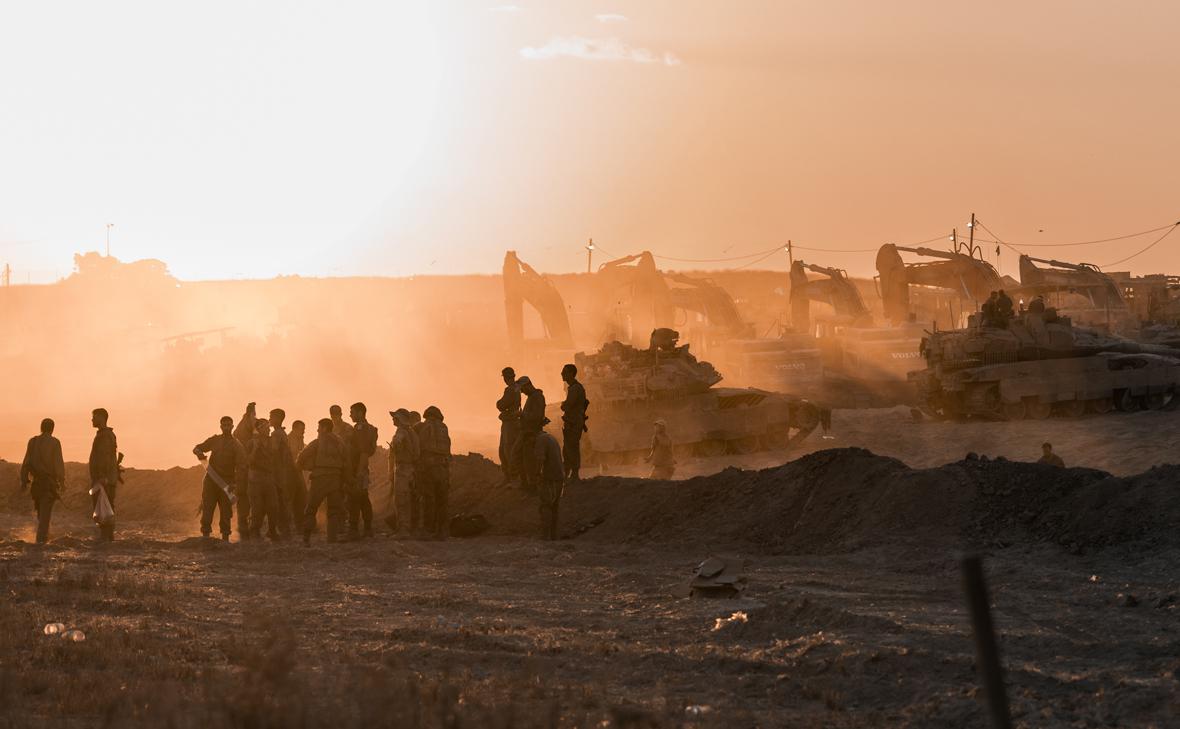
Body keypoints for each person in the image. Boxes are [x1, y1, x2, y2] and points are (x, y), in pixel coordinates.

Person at [193, 416, 247, 541]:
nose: (226, 427)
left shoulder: (237, 445)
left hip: (227, 483)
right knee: (207, 508)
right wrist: (199, 453)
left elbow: (242, 466)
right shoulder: (215, 440)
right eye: (224, 425)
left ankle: (225, 538)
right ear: (221, 426)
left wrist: (235, 483)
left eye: (228, 425)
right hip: (211, 480)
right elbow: (197, 448)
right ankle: (205, 535)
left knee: (226, 511)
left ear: (232, 426)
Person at [297, 418, 348, 544]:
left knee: (311, 509)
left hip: (319, 478)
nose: (317, 430)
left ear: (324, 428)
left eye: (319, 427)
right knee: (333, 511)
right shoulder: (340, 442)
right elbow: (347, 462)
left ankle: (306, 538)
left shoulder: (318, 442)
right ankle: (332, 539)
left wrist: (305, 467)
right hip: (335, 479)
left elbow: (302, 456)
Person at [20, 418, 65, 544]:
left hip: (37, 484)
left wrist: (24, 480)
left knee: (41, 514)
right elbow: (58, 464)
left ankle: (43, 537)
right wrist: (62, 482)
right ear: (52, 429)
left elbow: (26, 463)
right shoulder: (55, 442)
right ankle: (41, 540)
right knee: (45, 515)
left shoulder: (33, 441)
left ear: (41, 427)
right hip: (49, 484)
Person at [418, 406, 452, 540]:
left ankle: (428, 530)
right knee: (442, 500)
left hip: (429, 467)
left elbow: (420, 446)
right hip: (443, 468)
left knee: (429, 499)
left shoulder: (425, 426)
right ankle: (442, 531)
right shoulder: (444, 428)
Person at [385, 409, 420, 533]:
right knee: (408, 500)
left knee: (401, 500)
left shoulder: (401, 432)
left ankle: (403, 529)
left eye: (395, 417)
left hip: (402, 469)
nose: (393, 419)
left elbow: (397, 446)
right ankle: (409, 528)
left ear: (400, 419)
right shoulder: (411, 432)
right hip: (410, 469)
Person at [347, 402, 378, 539]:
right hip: (360, 467)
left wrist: (359, 471)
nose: (350, 415)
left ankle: (354, 530)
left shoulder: (361, 429)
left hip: (358, 468)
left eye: (352, 412)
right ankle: (367, 529)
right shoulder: (367, 428)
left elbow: (364, 451)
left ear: (360, 413)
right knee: (363, 498)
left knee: (354, 499)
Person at [247, 418, 281, 540]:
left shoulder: (272, 441)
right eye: (266, 427)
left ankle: (272, 531)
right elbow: (248, 462)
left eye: (268, 427)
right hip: (255, 479)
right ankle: (254, 531)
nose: (268, 429)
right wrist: (255, 448)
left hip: (269, 477)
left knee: (273, 506)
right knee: (257, 508)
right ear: (259, 429)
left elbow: (277, 458)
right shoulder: (251, 443)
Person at [88, 408, 120, 541]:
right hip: (105, 479)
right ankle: (107, 538)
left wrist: (102, 476)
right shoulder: (105, 434)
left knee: (105, 509)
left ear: (102, 417)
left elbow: (104, 457)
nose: (92, 419)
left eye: (94, 416)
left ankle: (106, 538)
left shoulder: (104, 436)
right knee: (104, 508)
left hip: (104, 480)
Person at [268, 408, 299, 537]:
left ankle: (282, 530)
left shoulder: (276, 434)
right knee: (281, 502)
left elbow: (274, 452)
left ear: (278, 419)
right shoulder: (282, 433)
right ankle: (283, 530)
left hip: (278, 473)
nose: (269, 419)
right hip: (283, 472)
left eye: (271, 417)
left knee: (277, 502)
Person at [514, 377, 547, 494]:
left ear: (528, 385)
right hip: (527, 433)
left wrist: (522, 415)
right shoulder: (532, 397)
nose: (522, 392)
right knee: (519, 457)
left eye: (522, 389)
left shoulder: (537, 397)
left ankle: (532, 487)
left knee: (530, 462)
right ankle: (526, 484)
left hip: (532, 434)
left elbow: (537, 417)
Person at [532, 430, 564, 540]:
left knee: (546, 506)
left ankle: (545, 536)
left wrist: (536, 474)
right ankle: (554, 536)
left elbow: (540, 458)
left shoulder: (540, 440)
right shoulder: (550, 437)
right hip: (559, 477)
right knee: (554, 507)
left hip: (550, 478)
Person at [559, 363, 589, 482]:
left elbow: (567, 405)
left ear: (571, 374)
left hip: (573, 423)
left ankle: (574, 475)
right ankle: (568, 474)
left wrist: (563, 405)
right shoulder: (574, 387)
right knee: (568, 449)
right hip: (572, 422)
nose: (562, 374)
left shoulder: (575, 388)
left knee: (571, 448)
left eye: (564, 372)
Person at [233, 402, 257, 537]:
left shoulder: (243, 428)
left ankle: (246, 527)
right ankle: (244, 528)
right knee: (244, 498)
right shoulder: (245, 428)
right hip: (244, 469)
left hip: (247, 469)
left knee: (248, 498)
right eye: (253, 414)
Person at [496, 367, 521, 485]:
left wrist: (498, 404)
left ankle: (511, 478)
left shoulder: (510, 390)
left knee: (506, 450)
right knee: (509, 449)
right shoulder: (517, 388)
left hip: (509, 424)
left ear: (506, 378)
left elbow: (501, 405)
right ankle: (511, 477)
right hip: (513, 422)